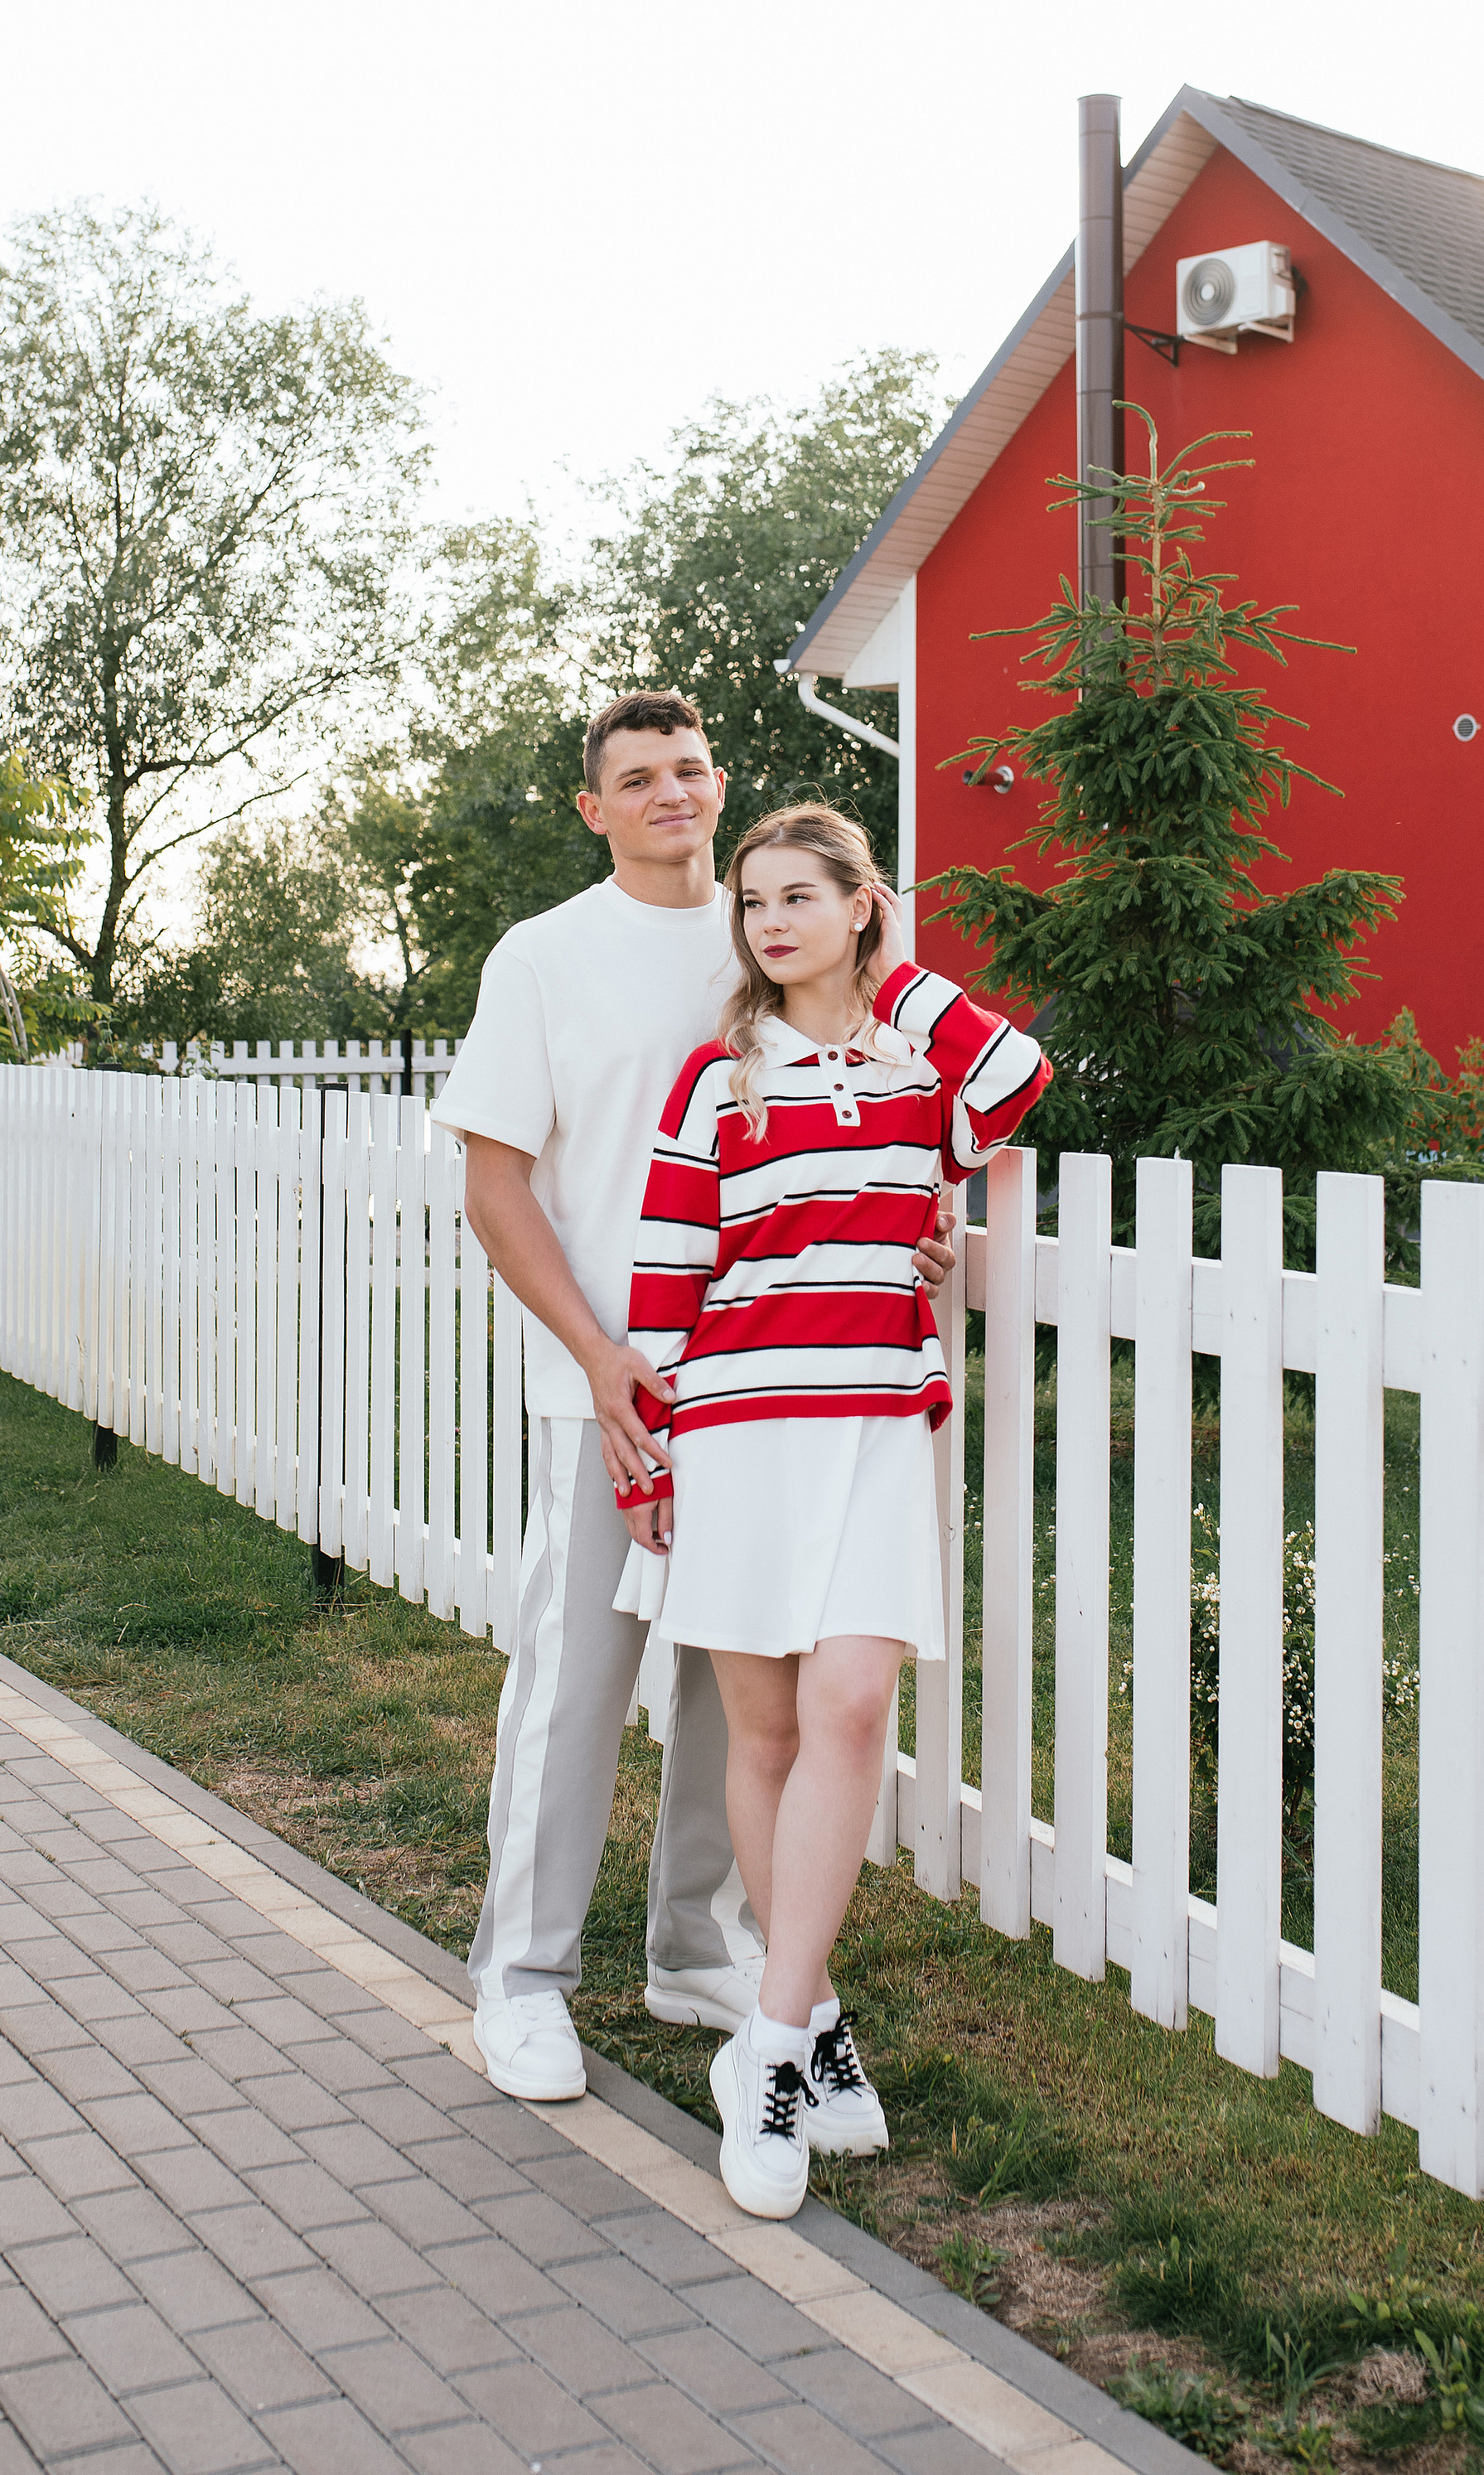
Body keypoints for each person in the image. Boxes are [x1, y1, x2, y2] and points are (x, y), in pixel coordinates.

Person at [437, 696, 960, 2103]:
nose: (668, 792)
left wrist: (923, 1226)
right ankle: (525, 1978)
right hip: (603, 1390)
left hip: (765, 1398)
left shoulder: (765, 938)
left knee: (745, 1700)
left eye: (687, 769)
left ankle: (695, 1947)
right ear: (594, 807)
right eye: (635, 778)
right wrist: (603, 1358)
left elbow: (879, 1117)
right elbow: (495, 1188)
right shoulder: (544, 957)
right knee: (576, 1694)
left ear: (719, 786)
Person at [625, 802, 1048, 2217]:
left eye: (803, 896)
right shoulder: (716, 1078)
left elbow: (1020, 1072)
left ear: (863, 905)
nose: (773, 924)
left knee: (854, 1707)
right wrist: (653, 1456)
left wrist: (899, 971)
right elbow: (669, 1277)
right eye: (755, 904)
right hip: (742, 1434)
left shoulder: (923, 1064)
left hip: (870, 1429)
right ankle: (805, 2031)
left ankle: (770, 2045)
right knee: (769, 1730)